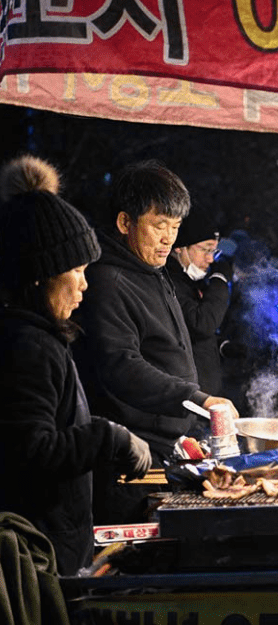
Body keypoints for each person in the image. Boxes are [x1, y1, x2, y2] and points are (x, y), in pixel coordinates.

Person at [0, 157, 151, 575]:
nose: (85, 283)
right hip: (38, 560)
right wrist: (110, 437)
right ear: (41, 276)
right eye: (78, 270)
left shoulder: (37, 337)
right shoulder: (27, 346)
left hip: (52, 550)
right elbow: (32, 452)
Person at [73, 160, 238, 522]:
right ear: (125, 223)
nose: (168, 239)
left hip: (165, 450)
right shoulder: (108, 281)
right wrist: (197, 399)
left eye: (175, 227)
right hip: (129, 460)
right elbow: (121, 365)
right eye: (159, 225)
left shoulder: (152, 271)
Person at [166, 211, 232, 396]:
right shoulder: (169, 282)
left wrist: (221, 346)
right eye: (205, 249)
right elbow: (202, 323)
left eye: (213, 251)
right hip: (187, 397)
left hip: (204, 393)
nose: (210, 259)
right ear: (180, 247)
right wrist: (219, 280)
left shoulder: (191, 281)